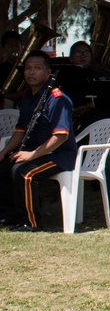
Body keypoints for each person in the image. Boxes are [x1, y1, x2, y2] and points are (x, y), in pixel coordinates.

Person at [0, 50, 76, 231]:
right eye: (27, 68)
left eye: (37, 68)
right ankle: (9, 216)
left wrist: (31, 155)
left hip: (58, 155)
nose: (31, 72)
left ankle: (31, 222)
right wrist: (3, 152)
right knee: (3, 166)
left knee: (23, 172)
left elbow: (60, 136)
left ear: (48, 73)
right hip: (35, 153)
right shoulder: (28, 97)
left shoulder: (57, 99)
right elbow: (20, 130)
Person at [0, 29, 24, 107]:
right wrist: (19, 95)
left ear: (21, 47)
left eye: (17, 46)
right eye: (10, 46)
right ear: (4, 48)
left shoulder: (27, 68)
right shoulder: (1, 69)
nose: (14, 49)